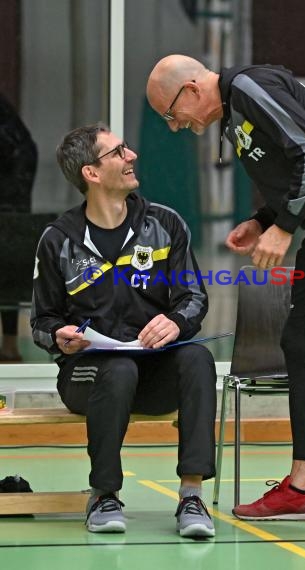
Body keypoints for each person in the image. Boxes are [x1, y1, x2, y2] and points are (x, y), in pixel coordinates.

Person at [147, 55, 305, 534]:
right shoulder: (234, 118)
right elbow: (293, 175)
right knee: (300, 341)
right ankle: (304, 486)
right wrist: (263, 220)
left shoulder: (247, 86)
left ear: (192, 89)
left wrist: (284, 228)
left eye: (171, 114)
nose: (177, 126)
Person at [30, 122, 216, 537]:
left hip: (154, 372)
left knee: (198, 359)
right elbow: (41, 322)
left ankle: (191, 495)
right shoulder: (58, 238)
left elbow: (194, 298)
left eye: (127, 148)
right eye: (117, 153)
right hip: (88, 376)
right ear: (91, 174)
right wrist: (60, 336)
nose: (131, 156)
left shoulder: (165, 223)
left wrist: (176, 321)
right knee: (117, 369)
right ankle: (104, 495)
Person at [0, 93, 37, 362]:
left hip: (10, 203)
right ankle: (10, 345)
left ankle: (10, 346)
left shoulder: (6, 120)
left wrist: (14, 202)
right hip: (12, 201)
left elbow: (24, 152)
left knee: (8, 276)